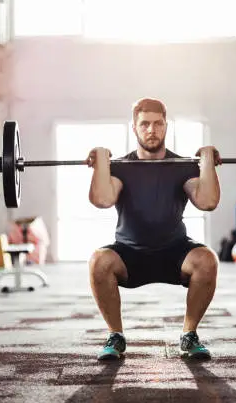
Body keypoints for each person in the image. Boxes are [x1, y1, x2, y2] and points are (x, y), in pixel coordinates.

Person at [86, 97, 221, 361]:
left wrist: (207, 162)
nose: (152, 130)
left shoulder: (183, 165)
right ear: (134, 127)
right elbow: (103, 199)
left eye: (158, 123)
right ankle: (115, 335)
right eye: (145, 124)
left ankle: (189, 335)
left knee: (207, 260)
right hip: (130, 253)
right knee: (98, 262)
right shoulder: (121, 167)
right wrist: (101, 162)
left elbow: (208, 201)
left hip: (175, 251)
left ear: (166, 126)